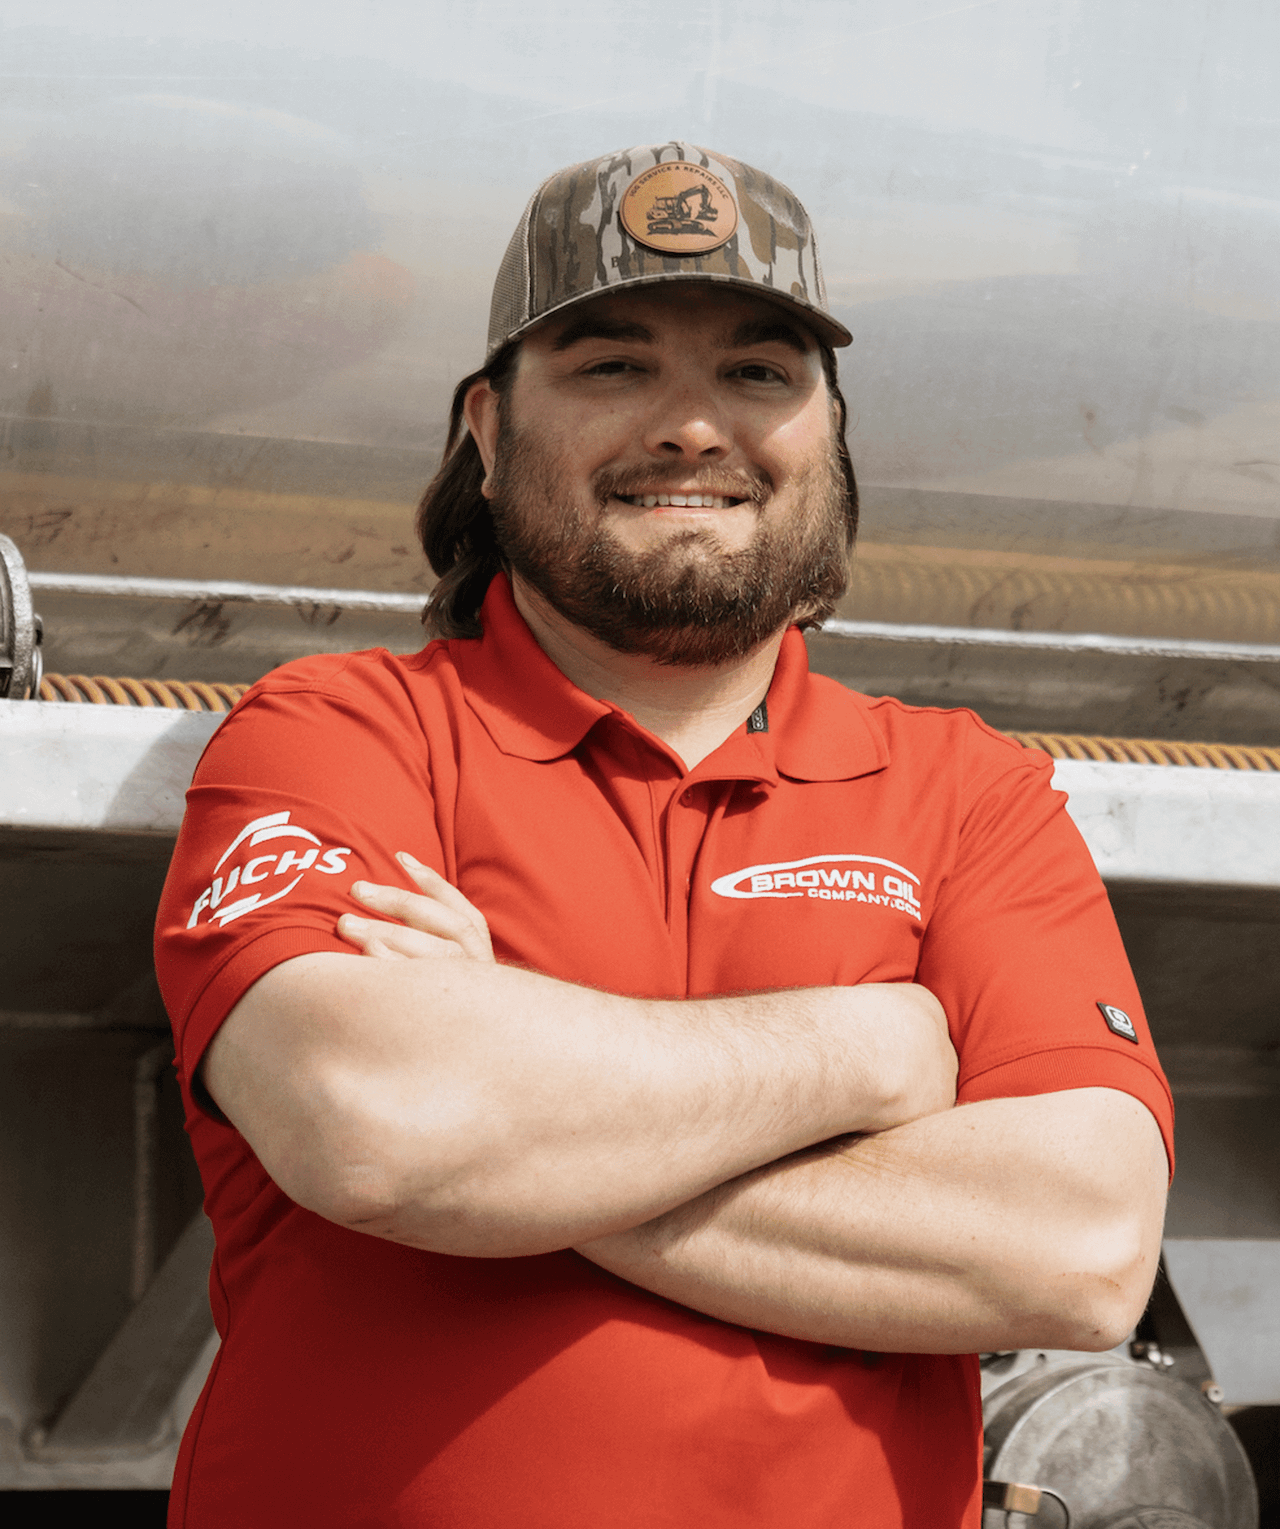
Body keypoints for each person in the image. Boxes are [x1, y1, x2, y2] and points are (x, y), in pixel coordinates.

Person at [154, 143, 1172, 1529]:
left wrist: (514, 1122)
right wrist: (869, 1050)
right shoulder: (340, 734)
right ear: (487, 429)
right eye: (614, 366)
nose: (692, 427)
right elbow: (378, 1130)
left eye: (756, 373)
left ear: (828, 437)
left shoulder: (969, 792)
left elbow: (1078, 1250)